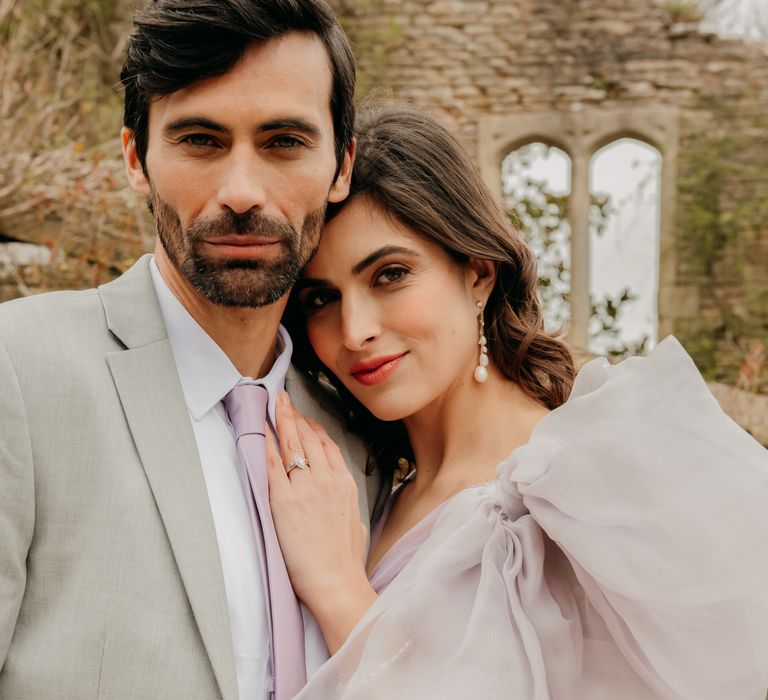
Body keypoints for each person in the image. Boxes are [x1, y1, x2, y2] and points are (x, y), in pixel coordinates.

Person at [271, 104, 768, 699]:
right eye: (320, 300)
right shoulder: (365, 493)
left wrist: (338, 591)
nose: (354, 331)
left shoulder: (591, 487)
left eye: (390, 275)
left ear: (477, 272)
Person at [0, 1, 376, 698]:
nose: (240, 192)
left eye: (285, 142)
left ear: (341, 165)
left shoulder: (362, 430)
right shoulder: (17, 371)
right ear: (136, 159)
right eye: (201, 140)